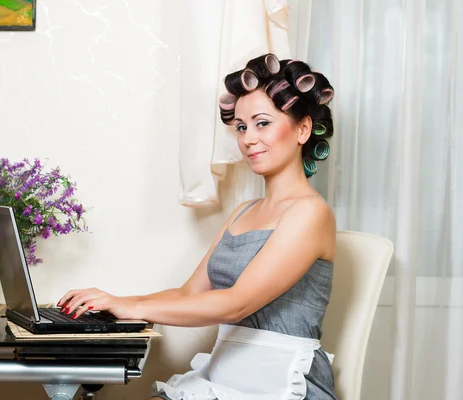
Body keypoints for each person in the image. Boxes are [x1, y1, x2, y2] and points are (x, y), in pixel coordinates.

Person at [57, 53, 337, 400]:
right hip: (225, 374)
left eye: (262, 123)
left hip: (280, 383)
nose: (248, 138)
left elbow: (236, 303)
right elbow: (189, 294)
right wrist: (115, 301)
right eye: (241, 127)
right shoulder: (243, 211)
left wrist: (134, 308)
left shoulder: (311, 213)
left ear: (303, 129)